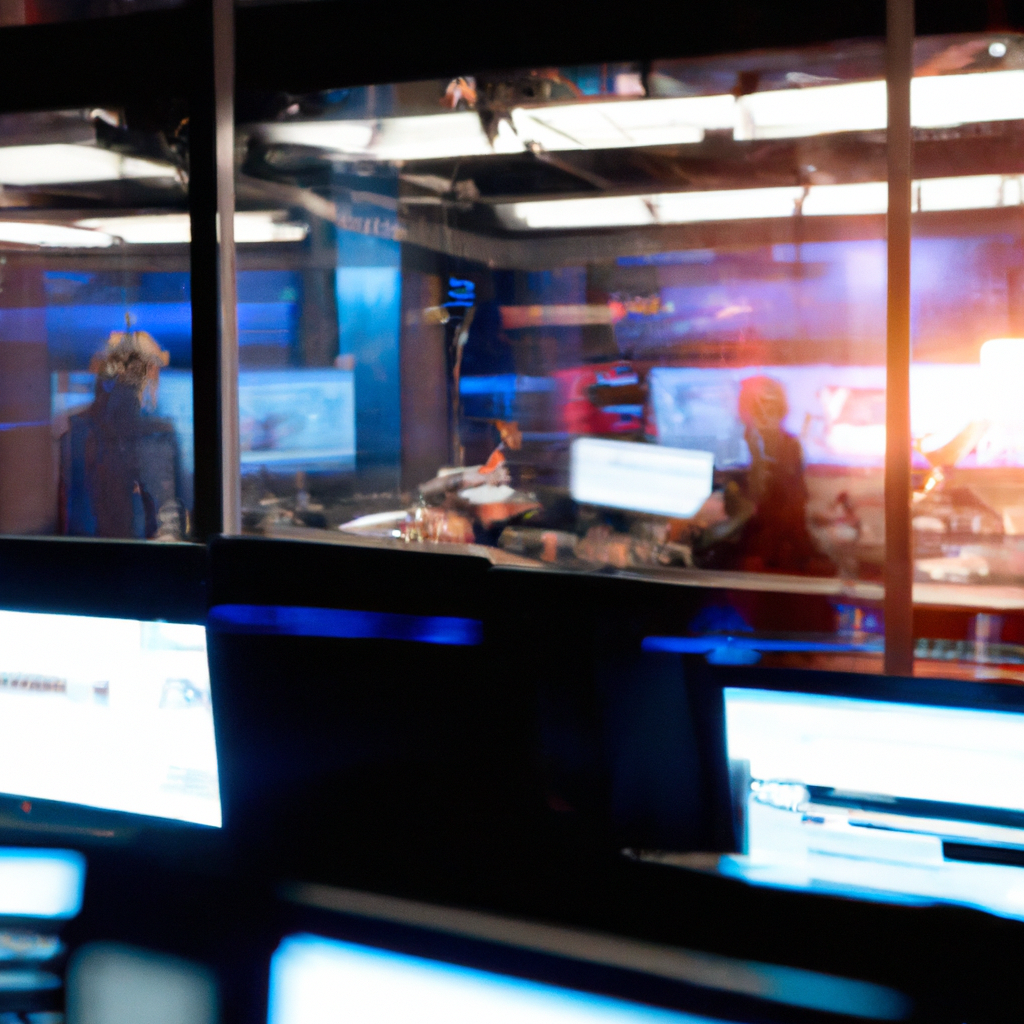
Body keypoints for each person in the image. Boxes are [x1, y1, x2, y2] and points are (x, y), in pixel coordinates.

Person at [693, 375, 833, 576]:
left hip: (780, 548)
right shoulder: (732, 446)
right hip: (739, 549)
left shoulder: (790, 446)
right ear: (745, 410)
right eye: (757, 407)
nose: (765, 414)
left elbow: (796, 505)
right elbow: (728, 506)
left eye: (772, 406)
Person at [59, 323, 179, 539]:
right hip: (98, 548)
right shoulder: (155, 436)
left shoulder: (78, 431)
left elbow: (167, 513)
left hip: (105, 548)